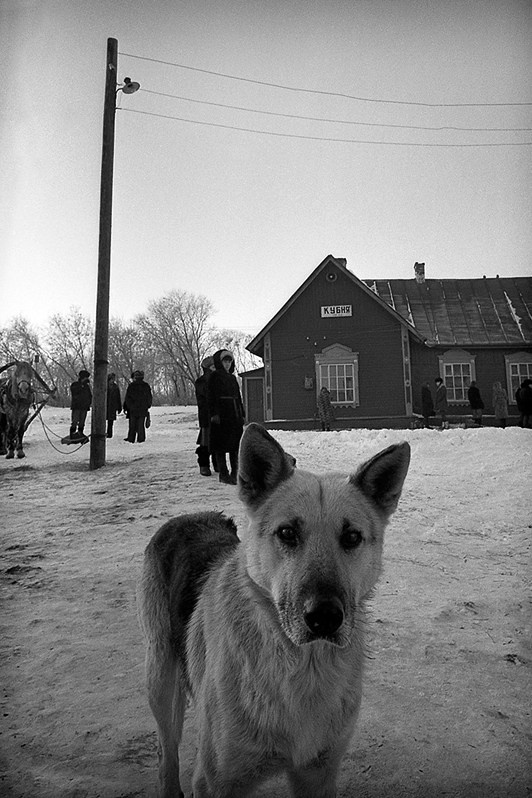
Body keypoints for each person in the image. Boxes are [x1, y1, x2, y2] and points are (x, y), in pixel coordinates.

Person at [207, 349, 245, 484]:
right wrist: (214, 414)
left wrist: (242, 413)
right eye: (225, 361)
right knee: (221, 446)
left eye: (230, 361)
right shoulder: (214, 376)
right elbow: (211, 397)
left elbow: (238, 397)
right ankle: (223, 473)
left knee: (235, 446)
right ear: (219, 362)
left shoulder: (232, 378)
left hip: (234, 415)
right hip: (222, 415)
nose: (227, 364)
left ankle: (235, 472)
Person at [194, 356, 216, 476]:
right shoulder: (202, 381)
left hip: (218, 415)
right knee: (205, 442)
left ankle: (217, 464)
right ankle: (204, 465)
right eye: (212, 367)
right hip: (206, 416)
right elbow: (204, 399)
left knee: (218, 440)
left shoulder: (218, 379)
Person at [123, 370, 152, 443]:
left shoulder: (131, 386)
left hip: (133, 409)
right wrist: (147, 405)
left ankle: (131, 438)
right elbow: (149, 397)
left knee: (132, 425)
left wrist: (128, 407)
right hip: (143, 409)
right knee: (141, 425)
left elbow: (127, 398)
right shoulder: (146, 386)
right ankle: (141, 438)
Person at [69, 369, 92, 440]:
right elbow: (75, 393)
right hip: (76, 407)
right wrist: (81, 385)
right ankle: (72, 435)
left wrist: (88, 403)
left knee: (82, 422)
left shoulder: (87, 387)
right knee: (75, 421)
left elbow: (89, 396)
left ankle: (80, 433)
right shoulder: (75, 385)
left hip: (84, 407)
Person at [106, 373, 122, 438]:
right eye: (111, 379)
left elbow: (118, 397)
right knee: (103, 420)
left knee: (110, 421)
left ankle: (109, 434)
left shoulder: (115, 387)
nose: (112, 380)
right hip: (105, 406)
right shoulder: (104, 386)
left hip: (112, 406)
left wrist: (119, 407)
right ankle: (102, 433)